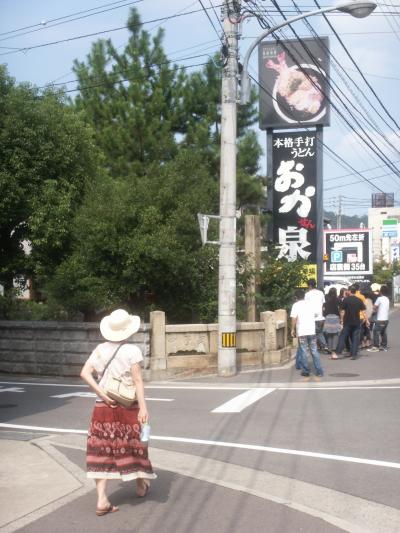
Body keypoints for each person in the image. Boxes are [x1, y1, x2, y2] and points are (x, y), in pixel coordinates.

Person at [80, 309, 156, 516]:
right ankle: (141, 486)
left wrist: (102, 394)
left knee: (101, 449)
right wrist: (143, 408)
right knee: (136, 444)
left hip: (102, 408)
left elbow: (85, 373)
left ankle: (102, 499)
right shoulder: (133, 350)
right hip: (127, 406)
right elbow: (138, 381)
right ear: (128, 330)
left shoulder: (99, 349)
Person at [290, 289, 324, 378]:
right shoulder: (310, 304)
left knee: (304, 351)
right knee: (314, 350)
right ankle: (319, 371)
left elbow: (294, 318)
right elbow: (316, 315)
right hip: (312, 331)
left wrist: (292, 329)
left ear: (295, 297)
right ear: (304, 296)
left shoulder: (296, 305)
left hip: (302, 332)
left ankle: (305, 371)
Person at [335, 286, 367, 360]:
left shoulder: (346, 300)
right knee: (355, 338)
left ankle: (338, 352)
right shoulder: (359, 300)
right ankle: (354, 355)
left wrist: (342, 320)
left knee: (343, 336)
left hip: (347, 322)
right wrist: (367, 320)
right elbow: (363, 311)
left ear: (349, 291)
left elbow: (342, 311)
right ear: (355, 291)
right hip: (356, 322)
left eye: (347, 291)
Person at [305, 278, 330, 354]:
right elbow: (323, 305)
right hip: (321, 317)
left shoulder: (307, 294)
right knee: (319, 333)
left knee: (312, 333)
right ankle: (325, 346)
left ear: (309, 285)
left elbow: (306, 306)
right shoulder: (321, 293)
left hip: (311, 317)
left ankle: (313, 347)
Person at [367, 285, 390, 352]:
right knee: (383, 332)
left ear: (381, 291)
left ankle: (376, 347)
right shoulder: (387, 299)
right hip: (386, 319)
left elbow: (374, 307)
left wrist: (371, 311)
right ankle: (384, 346)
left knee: (375, 331)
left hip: (380, 319)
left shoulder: (379, 298)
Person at [322, 287, 340, 358]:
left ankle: (331, 351)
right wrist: (341, 320)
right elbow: (340, 310)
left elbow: (323, 309)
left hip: (328, 317)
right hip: (335, 317)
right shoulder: (338, 300)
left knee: (329, 334)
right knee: (335, 334)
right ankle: (334, 352)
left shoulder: (326, 300)